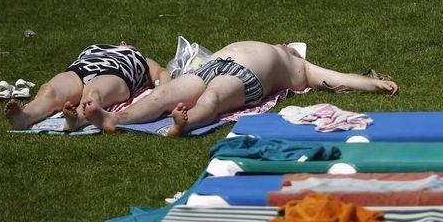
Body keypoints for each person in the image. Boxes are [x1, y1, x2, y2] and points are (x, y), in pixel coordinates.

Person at [83, 41, 398, 137]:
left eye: (291, 46)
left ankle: (186, 123)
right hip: (210, 66)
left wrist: (375, 84)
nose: (287, 44)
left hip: (248, 76)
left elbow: (339, 78)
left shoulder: (301, 67)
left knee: (214, 98)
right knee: (162, 94)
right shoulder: (268, 45)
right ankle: (114, 119)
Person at [3, 42, 170, 130]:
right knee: (50, 90)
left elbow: (162, 74)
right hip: (81, 69)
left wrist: (160, 93)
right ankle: (24, 118)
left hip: (116, 73)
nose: (124, 43)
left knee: (93, 95)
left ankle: (77, 120)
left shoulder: (141, 58)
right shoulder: (98, 47)